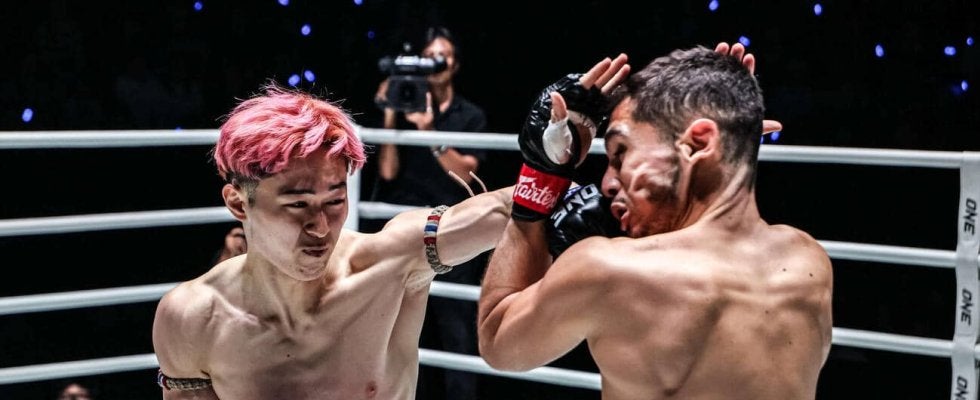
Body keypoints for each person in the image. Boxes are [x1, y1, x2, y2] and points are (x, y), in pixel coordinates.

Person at [477, 42, 832, 399]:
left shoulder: (608, 269)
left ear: (697, 144)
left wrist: (539, 180)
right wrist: (733, 139)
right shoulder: (807, 261)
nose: (607, 183)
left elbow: (498, 339)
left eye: (621, 152)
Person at [150, 82, 528, 399]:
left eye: (334, 201)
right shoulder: (192, 317)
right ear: (237, 203)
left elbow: (504, 209)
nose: (320, 227)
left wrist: (550, 163)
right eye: (297, 204)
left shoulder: (392, 261)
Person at [372, 25, 490, 399]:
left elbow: (467, 173)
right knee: (403, 336)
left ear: (455, 64)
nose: (437, 62)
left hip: (454, 231)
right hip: (407, 233)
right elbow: (387, 171)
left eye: (444, 56)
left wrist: (429, 133)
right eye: (430, 56)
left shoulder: (470, 115)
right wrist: (391, 114)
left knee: (457, 334)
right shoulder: (404, 105)